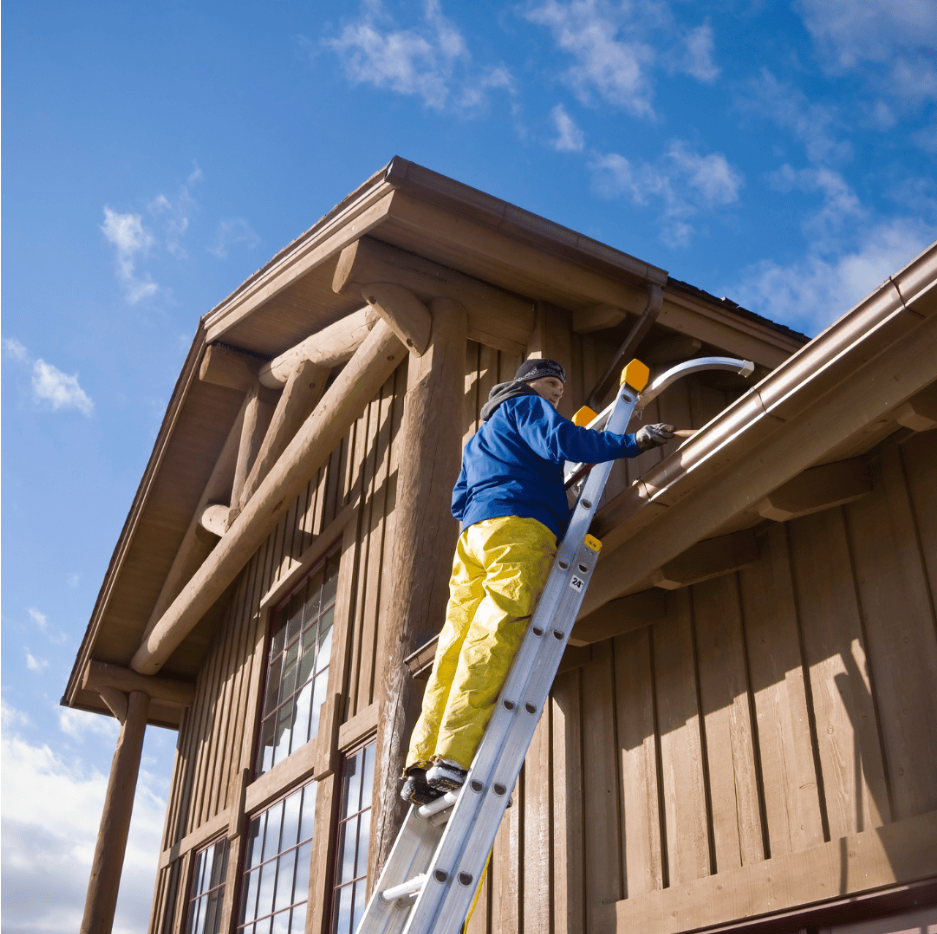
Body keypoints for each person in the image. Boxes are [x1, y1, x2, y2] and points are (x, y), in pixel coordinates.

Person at [401, 358, 674, 804]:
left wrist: (520, 479)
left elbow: (457, 500)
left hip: (474, 537)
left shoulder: (480, 437)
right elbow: (563, 439)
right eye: (550, 384)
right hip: (519, 527)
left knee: (456, 641)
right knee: (496, 632)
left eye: (560, 390)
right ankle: (453, 757)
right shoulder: (525, 405)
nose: (555, 395)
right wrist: (634, 441)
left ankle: (419, 764)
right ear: (527, 383)